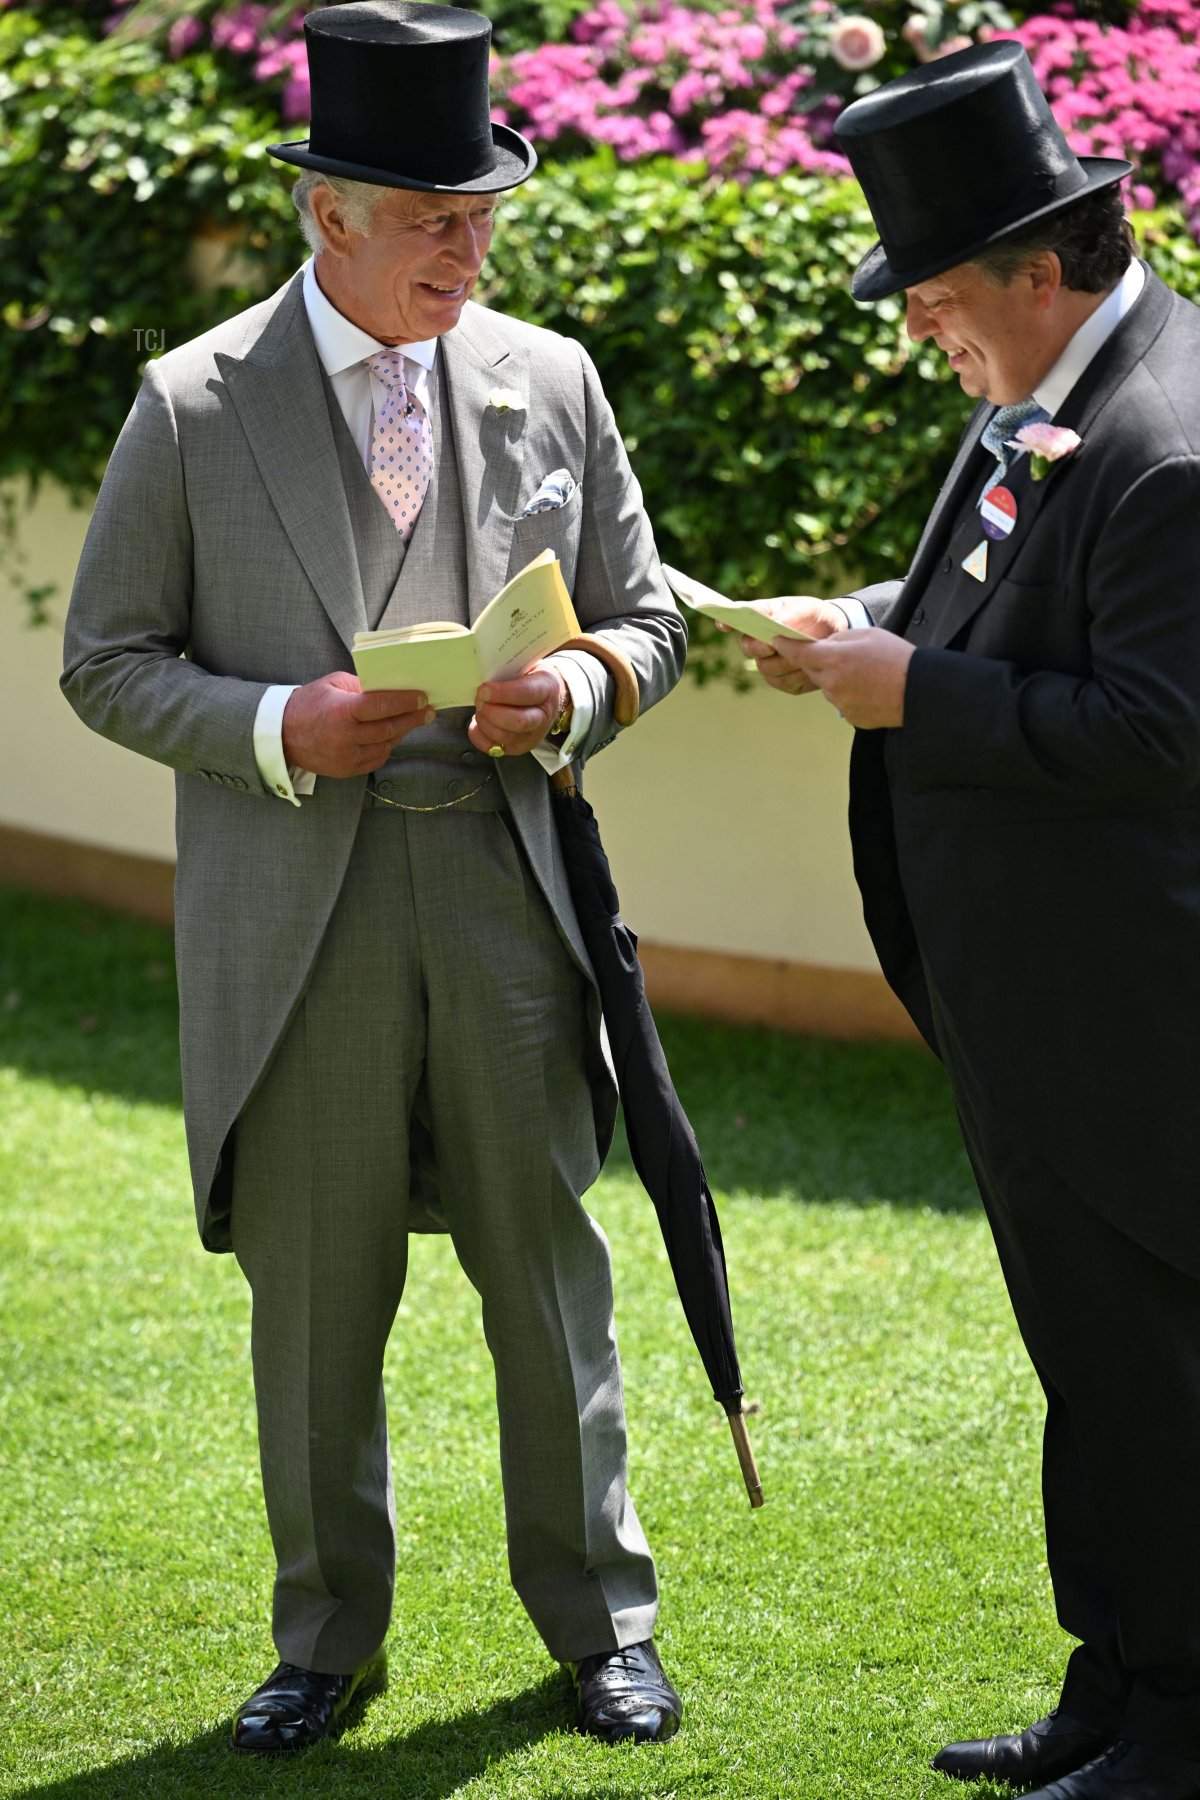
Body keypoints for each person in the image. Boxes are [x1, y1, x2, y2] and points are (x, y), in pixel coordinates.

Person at [62, 0, 686, 1756]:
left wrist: (577, 688)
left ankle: (602, 1625)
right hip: (301, 928)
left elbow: (649, 620)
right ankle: (325, 1641)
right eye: (436, 220)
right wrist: (272, 723)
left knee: (550, 1280)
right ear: (330, 211)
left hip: (507, 910)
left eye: (486, 215)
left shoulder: (550, 375)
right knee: (319, 1302)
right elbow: (105, 658)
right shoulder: (188, 404)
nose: (468, 251)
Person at [743, 40, 1200, 1800]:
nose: (923, 327)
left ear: (1036, 261)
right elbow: (997, 614)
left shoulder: (1163, 445)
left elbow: (1159, 738)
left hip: (1128, 1013)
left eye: (936, 293)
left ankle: (1182, 1718)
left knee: (1155, 1370)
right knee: (1089, 1364)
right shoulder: (1048, 391)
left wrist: (909, 691)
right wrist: (862, 620)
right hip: (1029, 1003)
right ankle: (1120, 1680)